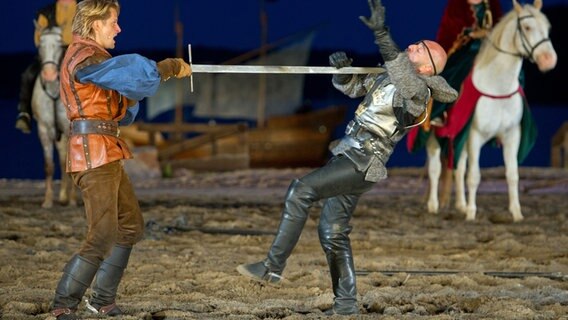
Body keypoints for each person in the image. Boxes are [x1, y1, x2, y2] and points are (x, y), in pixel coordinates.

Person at [236, 0, 458, 315]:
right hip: (350, 155)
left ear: (427, 68)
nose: (413, 45)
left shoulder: (418, 93)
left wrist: (383, 34)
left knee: (300, 190)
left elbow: (401, 71)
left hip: (362, 161)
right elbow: (355, 88)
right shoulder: (388, 78)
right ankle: (346, 304)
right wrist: (340, 72)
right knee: (332, 230)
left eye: (420, 48)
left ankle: (271, 266)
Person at [49, 0, 191, 319]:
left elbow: (121, 113)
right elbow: (128, 72)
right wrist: (164, 68)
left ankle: (102, 300)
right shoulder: (84, 56)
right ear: (95, 23)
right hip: (93, 155)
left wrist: (142, 86)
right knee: (101, 235)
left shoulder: (93, 58)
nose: (118, 28)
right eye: (113, 21)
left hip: (105, 151)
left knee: (130, 226)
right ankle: (63, 305)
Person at [407, 0, 502, 153]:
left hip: (490, 48)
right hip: (465, 48)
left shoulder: (492, 3)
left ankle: (505, 119)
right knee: (455, 72)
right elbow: (450, 29)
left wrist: (492, 33)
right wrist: (471, 33)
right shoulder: (457, 4)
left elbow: (500, 24)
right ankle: (438, 113)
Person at [15, 0, 79, 134]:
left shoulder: (83, 10)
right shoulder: (45, 12)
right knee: (28, 74)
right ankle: (24, 112)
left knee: (94, 74)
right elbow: (38, 38)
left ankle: (105, 114)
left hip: (77, 54)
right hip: (52, 54)